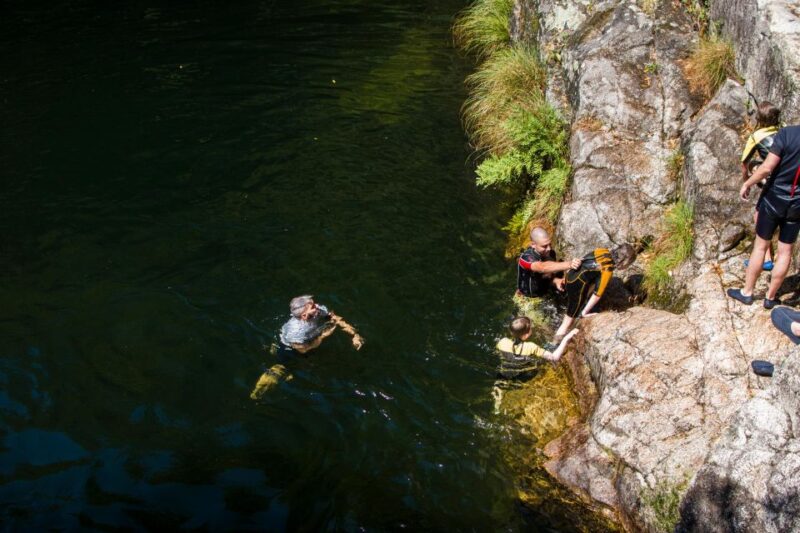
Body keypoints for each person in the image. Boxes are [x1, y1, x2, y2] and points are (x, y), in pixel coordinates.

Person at [728, 122, 800, 309]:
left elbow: (767, 167)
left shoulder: (787, 133)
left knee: (760, 246)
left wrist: (748, 183)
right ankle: (770, 297)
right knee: (786, 250)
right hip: (797, 204)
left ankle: (747, 292)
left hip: (774, 198)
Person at [250, 295, 364, 399]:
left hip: (307, 340)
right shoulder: (296, 330)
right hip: (290, 348)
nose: (317, 306)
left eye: (314, 303)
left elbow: (335, 318)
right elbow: (303, 349)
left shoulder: (318, 310)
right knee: (282, 367)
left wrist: (354, 334)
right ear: (304, 315)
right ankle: (261, 390)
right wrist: (323, 336)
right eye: (313, 306)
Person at [554, 244, 637, 339]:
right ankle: (555, 343)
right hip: (577, 287)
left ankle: (577, 305)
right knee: (567, 322)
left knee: (592, 280)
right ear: (624, 263)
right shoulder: (607, 270)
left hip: (571, 275)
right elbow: (597, 294)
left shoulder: (602, 251)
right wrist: (584, 312)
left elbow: (583, 259)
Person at [741, 101, 781, 270]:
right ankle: (768, 257)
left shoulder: (756, 137)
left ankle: (765, 258)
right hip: (790, 177)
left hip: (774, 180)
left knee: (759, 216)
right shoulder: (784, 129)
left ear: (759, 119)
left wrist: (747, 181)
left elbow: (744, 162)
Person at [496, 316, 579, 379]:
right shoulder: (531, 347)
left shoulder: (502, 342)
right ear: (526, 335)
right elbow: (554, 357)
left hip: (503, 373)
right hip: (524, 376)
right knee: (551, 347)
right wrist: (566, 338)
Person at [517, 226, 581, 297]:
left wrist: (555, 281)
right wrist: (570, 264)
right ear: (533, 245)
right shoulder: (525, 258)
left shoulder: (550, 253)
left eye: (549, 244)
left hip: (545, 292)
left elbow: (543, 276)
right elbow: (542, 267)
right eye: (544, 246)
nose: (549, 249)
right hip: (528, 299)